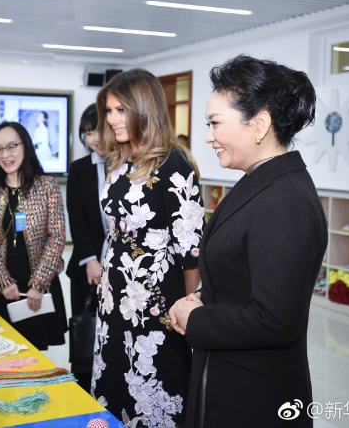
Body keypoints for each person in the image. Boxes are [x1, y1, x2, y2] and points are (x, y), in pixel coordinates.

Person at [169, 55, 327, 428]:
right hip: (230, 371)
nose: (208, 136)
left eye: (215, 123)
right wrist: (202, 296)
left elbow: (275, 319)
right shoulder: (260, 182)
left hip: (256, 394)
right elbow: (242, 267)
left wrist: (199, 319)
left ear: (259, 124)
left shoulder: (286, 200)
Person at [91, 69, 204, 427]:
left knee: (153, 390)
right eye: (109, 111)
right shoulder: (117, 160)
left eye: (121, 110)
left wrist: (182, 308)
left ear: (144, 108)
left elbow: (191, 253)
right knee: (114, 384)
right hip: (114, 298)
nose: (112, 119)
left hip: (156, 305)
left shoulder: (174, 163)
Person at [0, 122, 67, 351]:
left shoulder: (47, 185)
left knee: (35, 354)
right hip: (2, 284)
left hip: (39, 283)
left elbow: (56, 237)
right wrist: (3, 281)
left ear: (25, 145)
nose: (5, 155)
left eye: (11, 146)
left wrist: (39, 283)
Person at [66, 104, 109, 390]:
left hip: (122, 269)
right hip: (86, 269)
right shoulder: (79, 169)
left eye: (99, 130)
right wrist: (91, 259)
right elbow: (77, 217)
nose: (94, 139)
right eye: (88, 133)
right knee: (85, 337)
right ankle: (83, 391)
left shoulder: (131, 165)